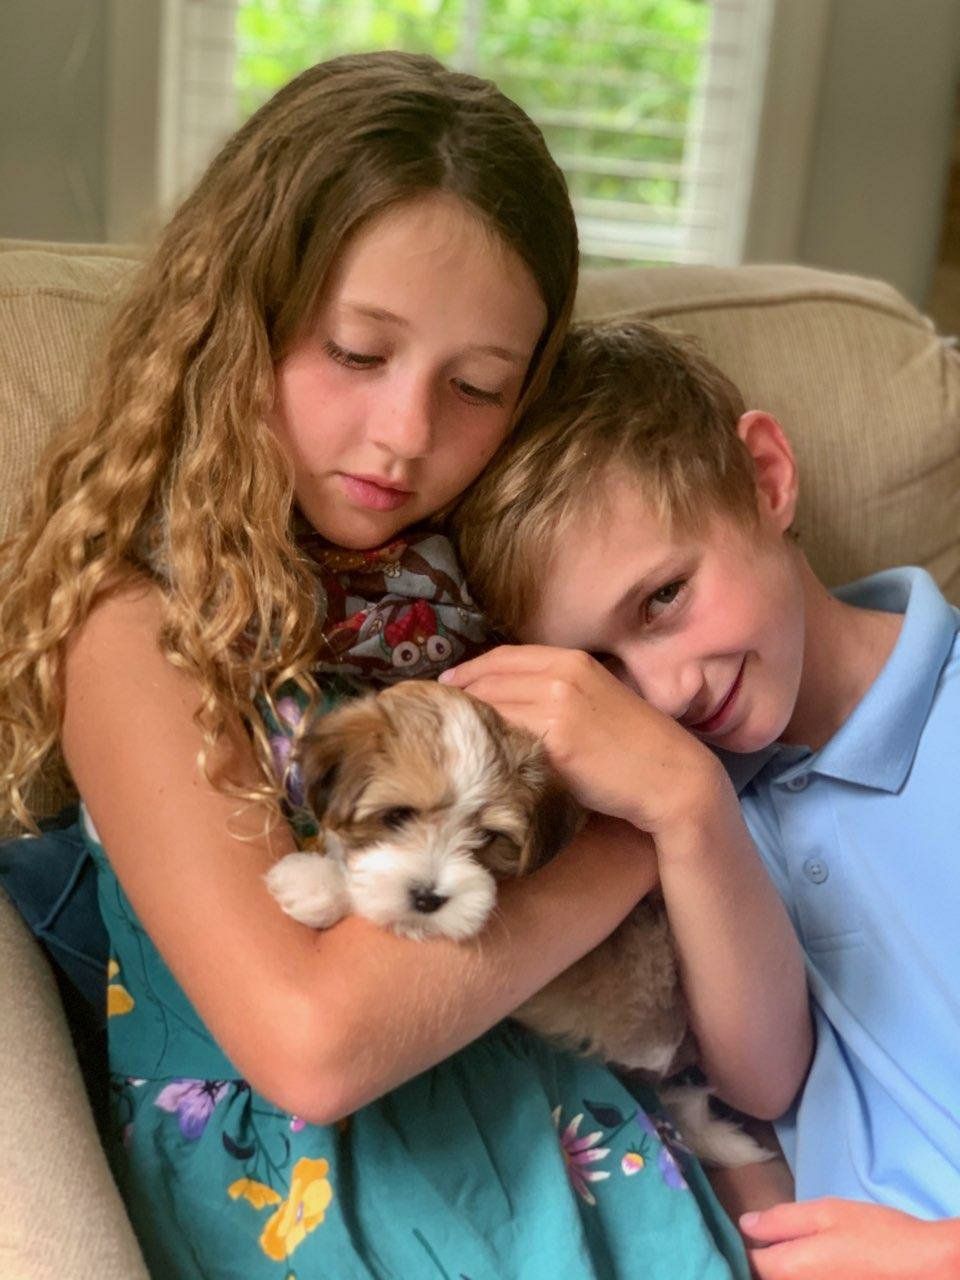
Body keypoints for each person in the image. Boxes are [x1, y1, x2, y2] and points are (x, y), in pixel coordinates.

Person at [0, 54, 750, 1279]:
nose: (406, 435)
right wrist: (636, 832)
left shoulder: (508, 588)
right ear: (235, 321)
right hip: (315, 1194)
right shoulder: (136, 624)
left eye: (478, 386)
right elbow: (312, 1043)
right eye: (356, 352)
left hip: (564, 1150)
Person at [445, 315, 960, 1279]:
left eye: (664, 598)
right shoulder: (678, 813)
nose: (667, 691)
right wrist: (691, 805)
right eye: (602, 671)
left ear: (765, 476)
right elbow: (766, 1082)